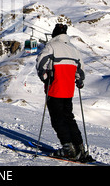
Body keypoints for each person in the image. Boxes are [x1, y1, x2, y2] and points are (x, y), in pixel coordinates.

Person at [36, 23, 88, 160]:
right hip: (68, 91)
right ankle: (79, 147)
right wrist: (79, 80)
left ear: (54, 34)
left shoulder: (51, 46)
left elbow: (41, 63)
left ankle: (68, 149)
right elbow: (80, 69)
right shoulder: (73, 49)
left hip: (54, 89)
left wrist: (45, 77)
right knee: (69, 118)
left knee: (58, 119)